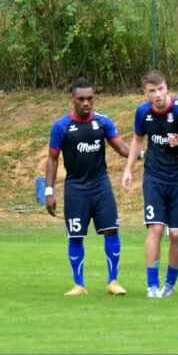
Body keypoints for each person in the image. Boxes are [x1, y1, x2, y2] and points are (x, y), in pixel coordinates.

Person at [45, 78, 130, 296]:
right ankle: (79, 284)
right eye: (81, 99)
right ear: (73, 99)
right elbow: (53, 159)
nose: (86, 103)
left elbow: (120, 147)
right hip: (75, 188)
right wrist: (49, 190)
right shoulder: (61, 126)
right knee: (75, 236)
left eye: (90, 99)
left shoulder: (102, 123)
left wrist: (144, 155)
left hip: (101, 186)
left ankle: (113, 281)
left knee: (111, 231)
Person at [122, 70, 178, 298]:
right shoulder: (142, 112)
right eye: (152, 91)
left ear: (167, 87)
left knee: (176, 234)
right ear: (145, 93)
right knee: (155, 227)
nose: (157, 95)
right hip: (154, 177)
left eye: (160, 89)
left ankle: (170, 284)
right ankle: (151, 285)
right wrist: (128, 169)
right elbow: (138, 139)